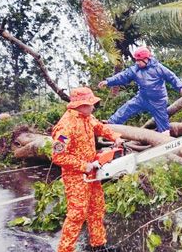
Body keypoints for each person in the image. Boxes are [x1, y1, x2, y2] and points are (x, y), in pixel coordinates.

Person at [52, 87, 124, 252]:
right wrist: (84, 166)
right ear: (81, 105)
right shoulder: (65, 128)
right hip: (75, 177)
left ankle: (99, 244)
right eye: (91, 104)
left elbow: (100, 127)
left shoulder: (87, 117)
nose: (93, 107)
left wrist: (115, 137)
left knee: (97, 208)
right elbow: (58, 156)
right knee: (77, 214)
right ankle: (65, 249)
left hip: (93, 173)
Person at [98, 46, 182, 134]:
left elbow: (171, 77)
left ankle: (165, 138)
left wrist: (181, 88)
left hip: (158, 101)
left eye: (139, 60)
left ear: (146, 59)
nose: (137, 62)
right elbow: (123, 76)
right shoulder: (135, 70)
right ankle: (111, 123)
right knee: (128, 106)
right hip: (142, 98)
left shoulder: (158, 68)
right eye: (136, 60)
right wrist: (108, 81)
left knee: (163, 122)